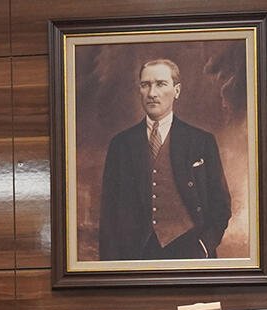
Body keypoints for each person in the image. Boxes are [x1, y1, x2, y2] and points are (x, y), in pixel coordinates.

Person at [98, 57, 231, 260]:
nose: (152, 93)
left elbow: (221, 205)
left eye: (161, 84)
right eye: (145, 85)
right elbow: (108, 215)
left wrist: (205, 245)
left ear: (176, 91)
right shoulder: (121, 144)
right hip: (135, 256)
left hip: (190, 252)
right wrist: (110, 267)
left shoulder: (201, 141)